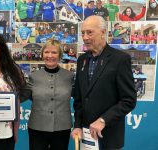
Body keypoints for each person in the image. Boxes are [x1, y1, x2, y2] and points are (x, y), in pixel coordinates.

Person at [71, 16, 136, 150]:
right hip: (86, 137)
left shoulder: (120, 59)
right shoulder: (82, 60)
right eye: (82, 33)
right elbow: (79, 99)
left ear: (103, 32)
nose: (85, 37)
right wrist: (77, 125)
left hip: (108, 137)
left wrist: (103, 120)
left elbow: (129, 100)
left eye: (89, 32)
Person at [21, 39, 74, 150]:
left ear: (60, 55)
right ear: (42, 54)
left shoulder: (69, 76)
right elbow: (22, 96)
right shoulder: (33, 76)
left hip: (62, 128)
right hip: (37, 128)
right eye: (46, 52)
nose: (50, 55)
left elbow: (80, 98)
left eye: (54, 52)